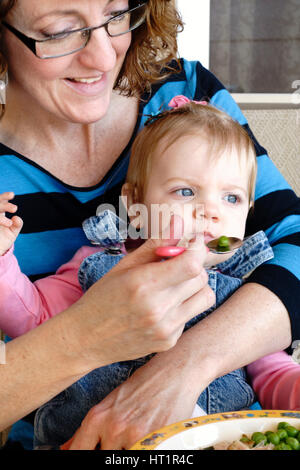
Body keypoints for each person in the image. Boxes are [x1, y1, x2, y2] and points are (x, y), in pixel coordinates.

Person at [0, 0, 298, 451]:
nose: (103, 57)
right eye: (60, 30)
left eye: (117, 15)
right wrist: (86, 335)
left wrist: (182, 366)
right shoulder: (89, 267)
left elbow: (292, 242)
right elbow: (30, 313)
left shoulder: (187, 94)